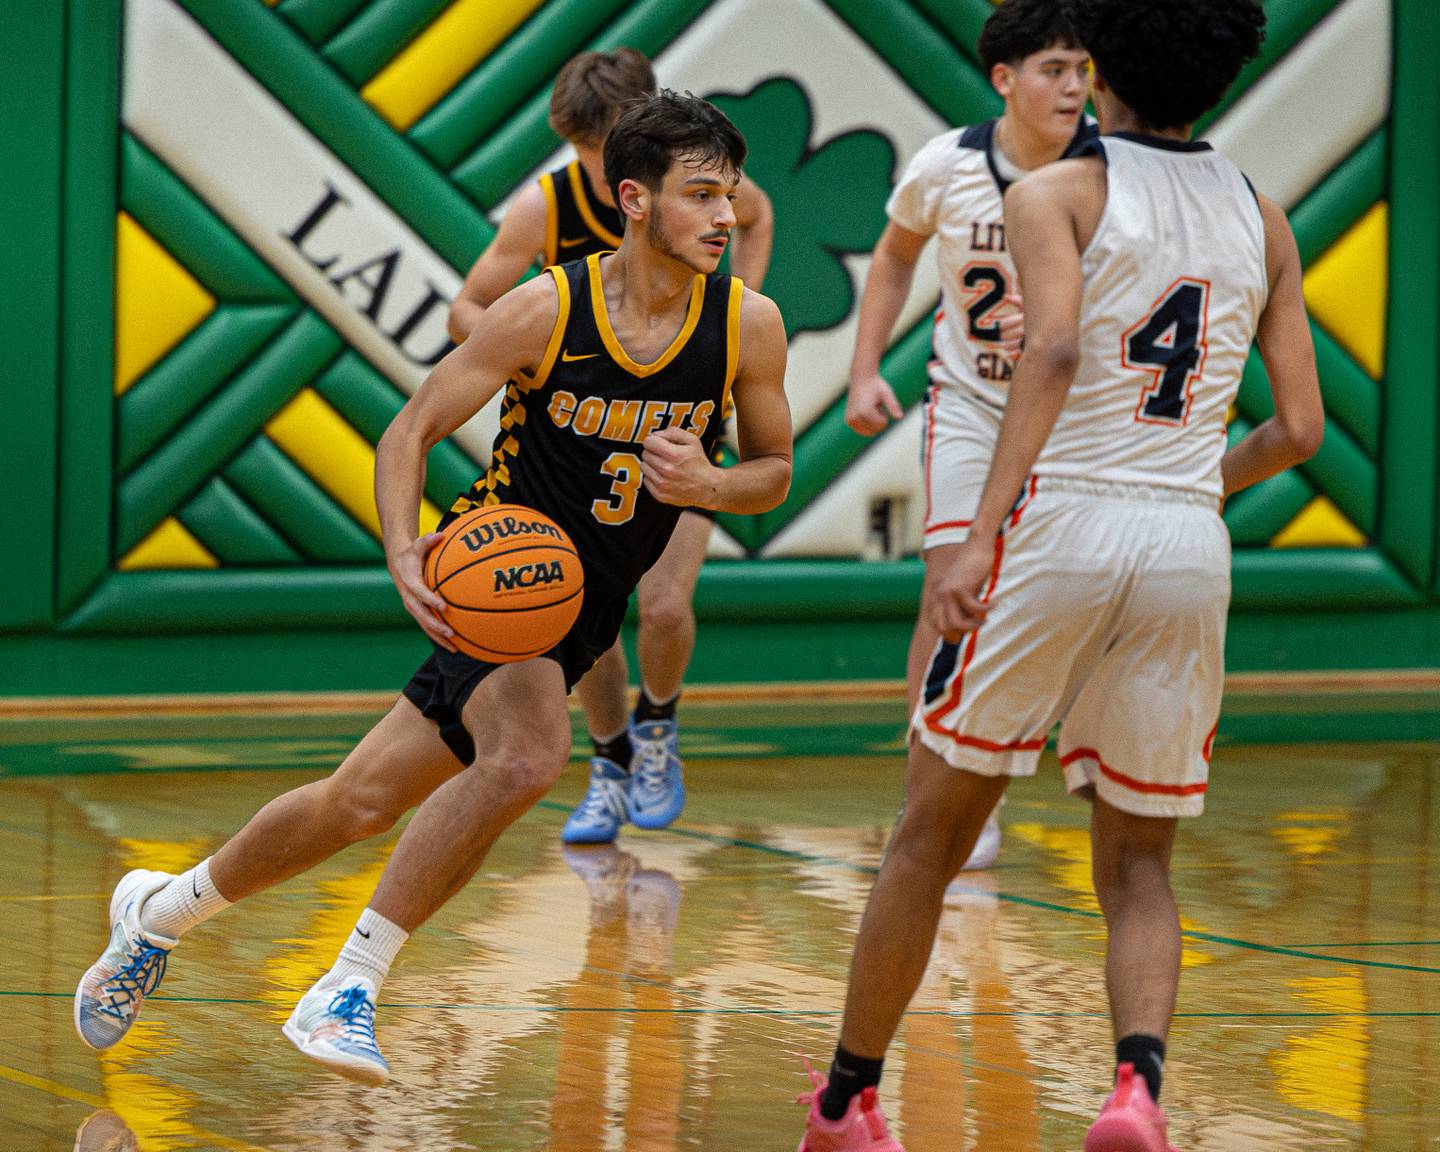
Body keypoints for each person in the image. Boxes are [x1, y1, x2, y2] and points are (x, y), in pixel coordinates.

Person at [75, 90, 793, 1088]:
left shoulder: (748, 326)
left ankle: (161, 912)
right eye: (701, 195)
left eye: (731, 194)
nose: (727, 216)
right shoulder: (550, 305)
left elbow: (774, 469)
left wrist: (711, 484)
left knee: (355, 802)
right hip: (504, 575)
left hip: (587, 609)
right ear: (634, 199)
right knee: (532, 755)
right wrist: (404, 550)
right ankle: (350, 985)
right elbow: (409, 428)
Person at [798, 0, 1321, 1149]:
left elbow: (1058, 348)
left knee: (927, 835)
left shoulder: (1054, 193)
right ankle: (1137, 1091)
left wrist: (982, 531)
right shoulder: (1264, 215)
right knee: (1139, 860)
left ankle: (846, 1101)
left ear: (1107, 72)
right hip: (1190, 537)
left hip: (1064, 518)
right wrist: (1191, 489)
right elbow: (1297, 429)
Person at [449, 49, 776, 847]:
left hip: (676, 424)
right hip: (578, 438)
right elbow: (469, 305)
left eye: (605, 147)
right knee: (580, 611)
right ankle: (609, 758)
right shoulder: (546, 207)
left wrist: (743, 308)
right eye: (582, 152)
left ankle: (657, 726)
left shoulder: (706, 201)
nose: (593, 168)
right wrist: (523, 344)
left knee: (664, 603)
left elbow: (757, 217)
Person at [846, 0, 1093, 872]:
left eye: (1082, 69)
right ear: (1005, 80)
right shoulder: (946, 165)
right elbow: (895, 254)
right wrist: (865, 366)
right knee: (949, 587)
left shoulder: (1113, 168)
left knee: (1068, 602)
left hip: (1077, 414)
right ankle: (934, 795)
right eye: (1054, 69)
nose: (1073, 86)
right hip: (972, 403)